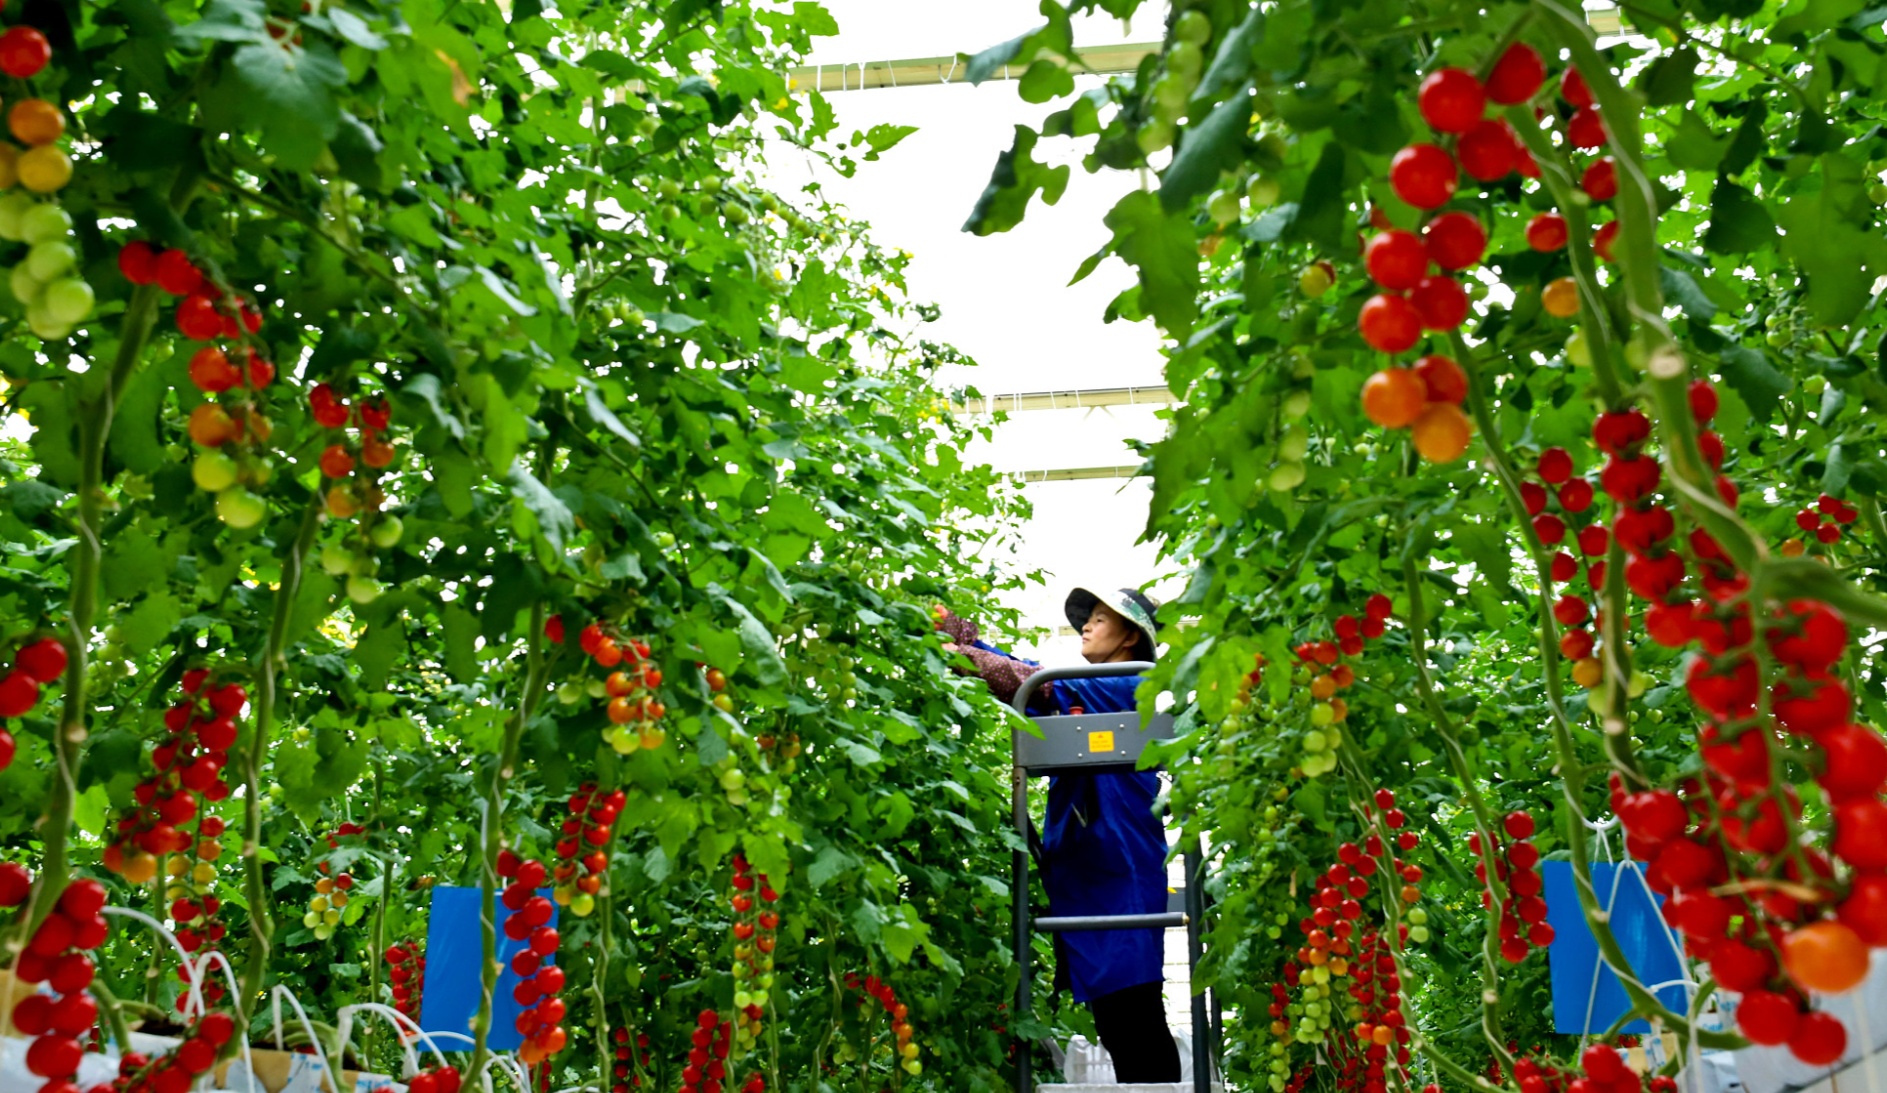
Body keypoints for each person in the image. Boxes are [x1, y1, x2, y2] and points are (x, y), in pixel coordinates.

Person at [937, 585, 1181, 1084]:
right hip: (1097, 880)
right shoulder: (1087, 690)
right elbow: (1025, 673)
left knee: (1134, 1020)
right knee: (1121, 1021)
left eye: (1099, 619)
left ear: (1131, 637)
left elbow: (1030, 683)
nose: (1086, 626)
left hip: (1119, 880)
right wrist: (958, 632)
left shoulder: (1128, 683)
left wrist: (962, 656)